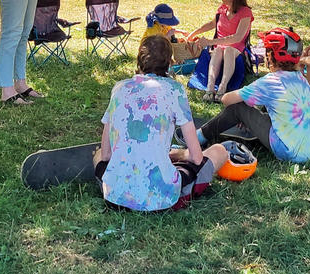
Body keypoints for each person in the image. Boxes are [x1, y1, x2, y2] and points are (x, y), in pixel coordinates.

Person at [94, 36, 229, 212]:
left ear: (139, 60)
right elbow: (196, 157)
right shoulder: (175, 90)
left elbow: (105, 155)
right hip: (161, 197)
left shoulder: (119, 88)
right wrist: (179, 155)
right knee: (219, 151)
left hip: (116, 196)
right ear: (169, 62)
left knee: (97, 155)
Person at [199, 27, 310, 163]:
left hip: (291, 152)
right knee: (268, 104)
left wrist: (245, 111)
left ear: (270, 55)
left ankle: (199, 136)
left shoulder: (270, 81)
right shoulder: (300, 78)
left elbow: (227, 100)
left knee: (238, 107)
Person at [187, 0, 254, 99]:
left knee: (228, 50)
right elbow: (212, 24)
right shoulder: (222, 9)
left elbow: (237, 38)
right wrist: (193, 33)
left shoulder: (245, 12)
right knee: (217, 50)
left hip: (236, 47)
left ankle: (222, 88)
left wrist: (210, 42)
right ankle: (210, 88)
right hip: (219, 46)